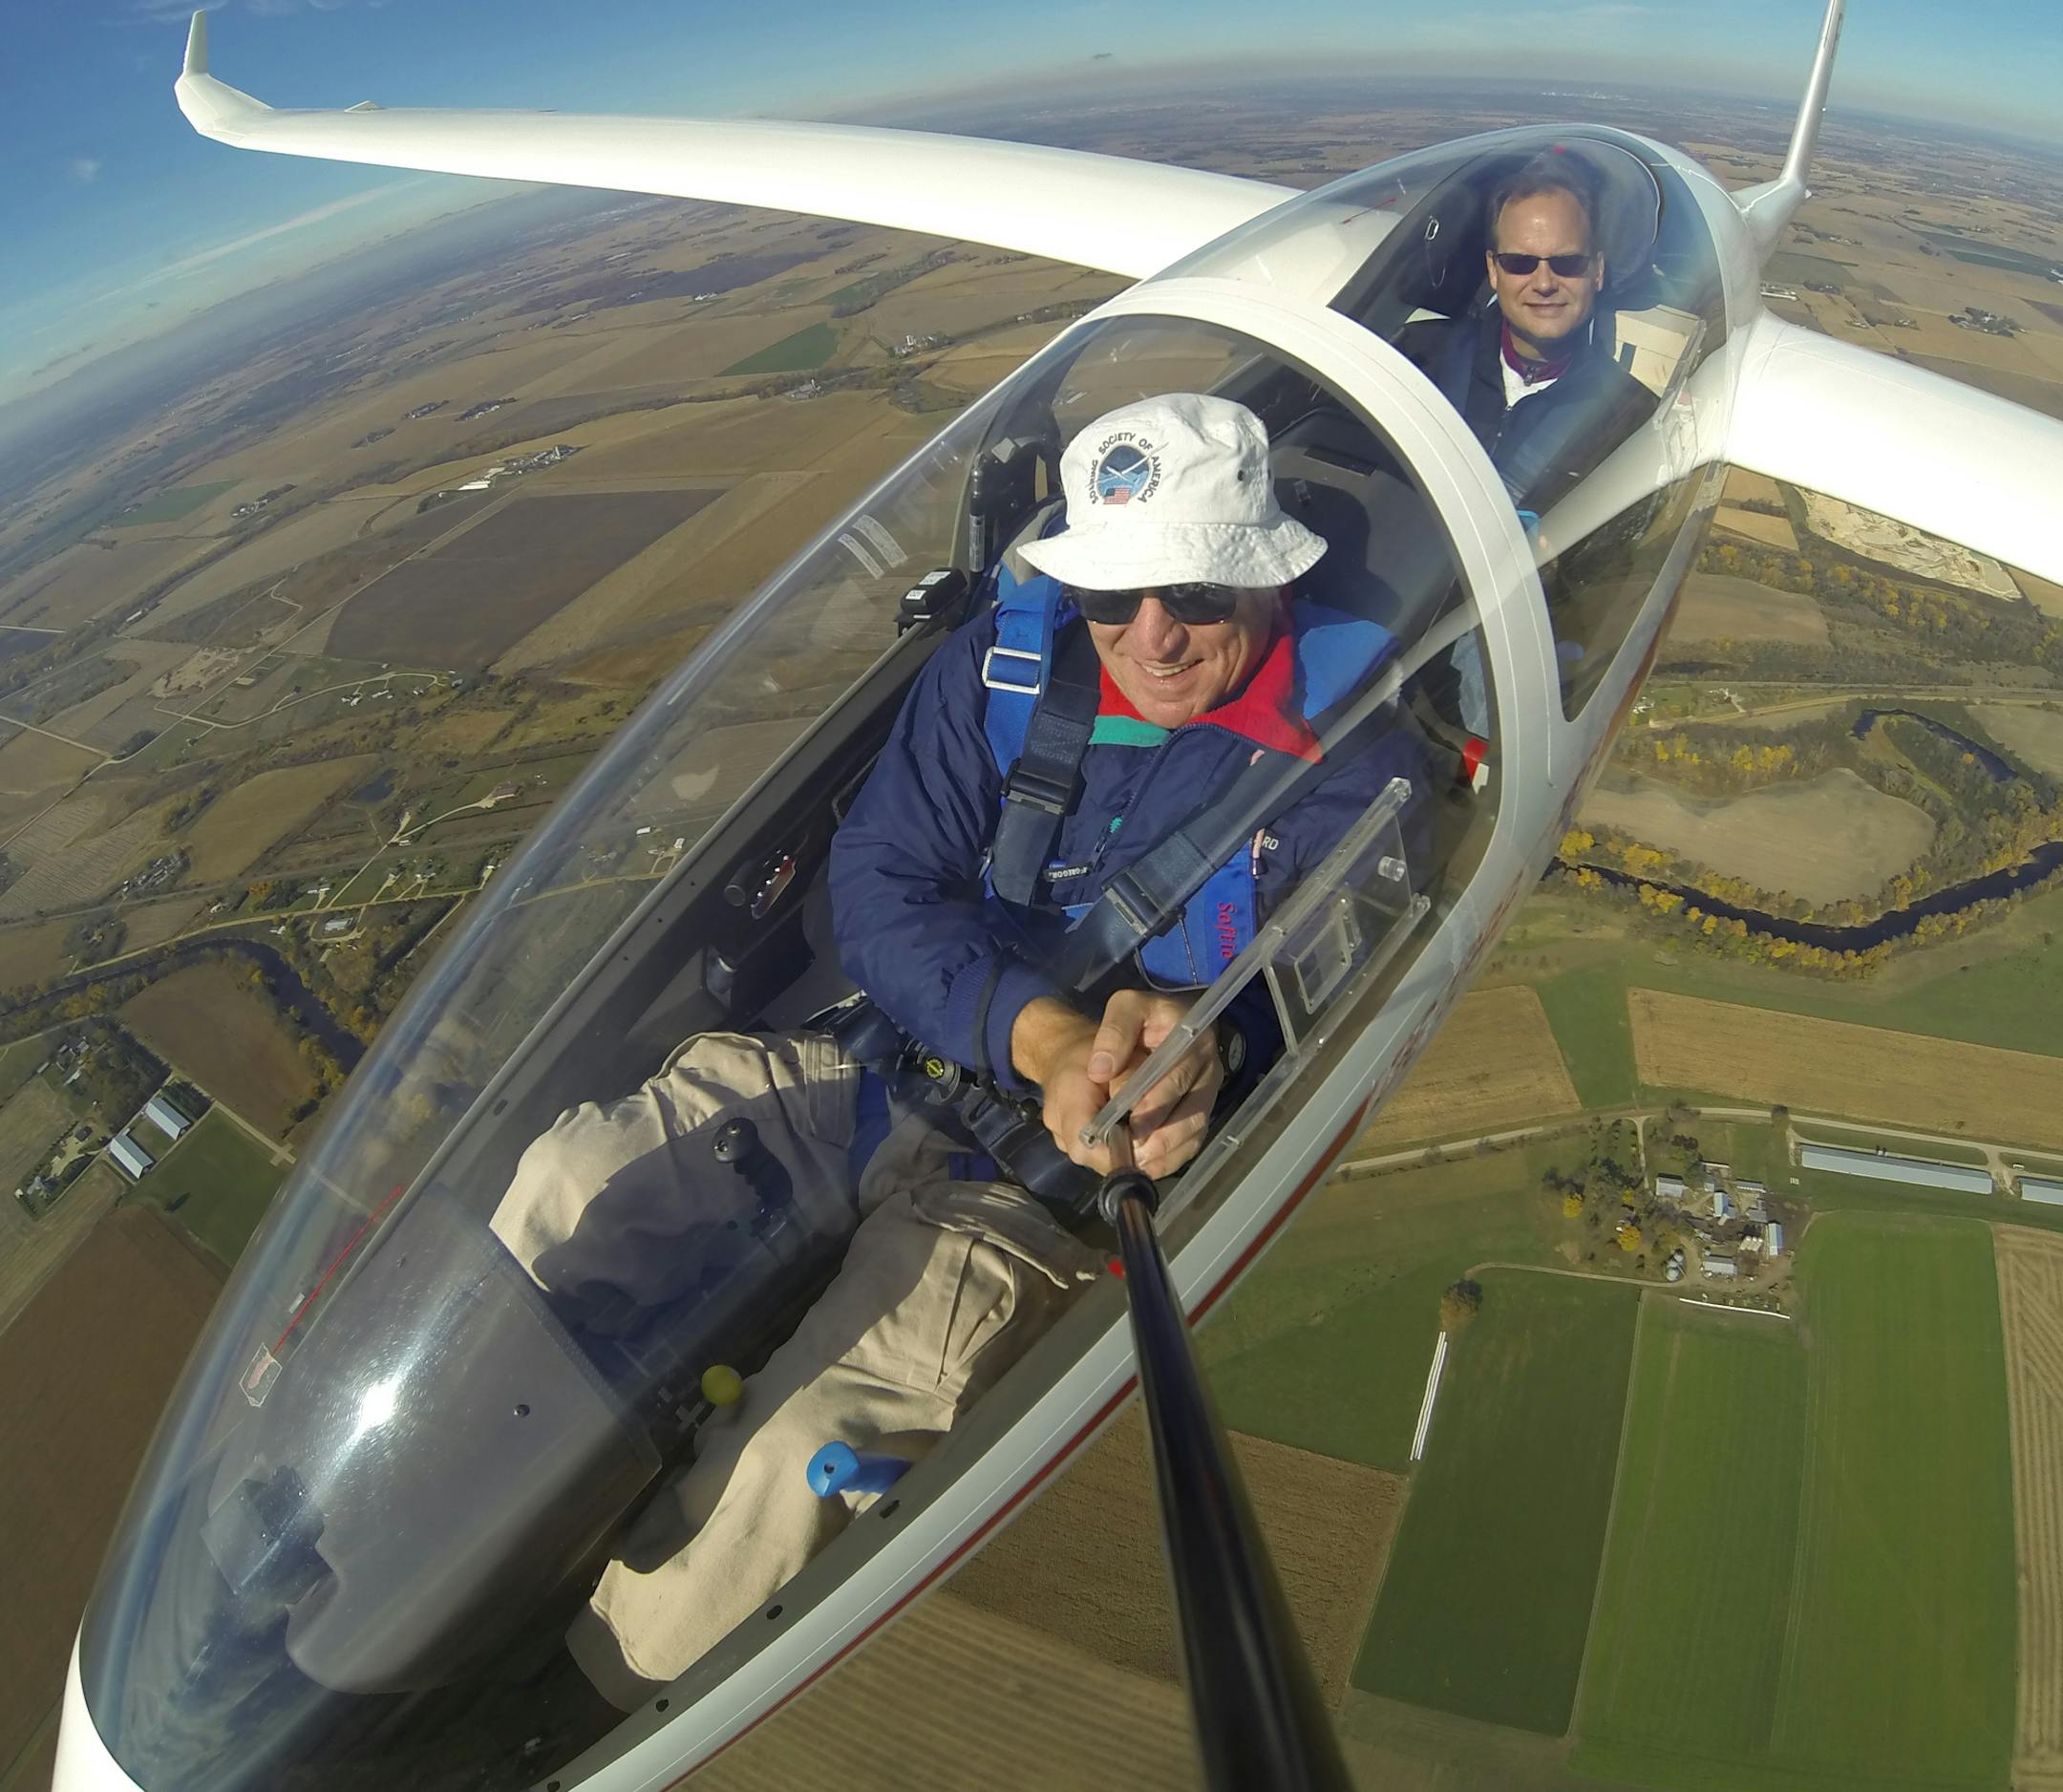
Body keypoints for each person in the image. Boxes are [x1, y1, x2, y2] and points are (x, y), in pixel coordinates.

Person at [489, 393, 1424, 1708]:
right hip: (863, 1060)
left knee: (793, 1460)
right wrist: (1035, 1034)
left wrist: (1198, 1061)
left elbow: (1322, 989)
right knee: (566, 1188)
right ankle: (430, 1540)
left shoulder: (1343, 763)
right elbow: (877, 887)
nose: (1151, 636)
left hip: (1028, 1182)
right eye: (1117, 595)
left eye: (1196, 595)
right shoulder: (1003, 669)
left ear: (1263, 579)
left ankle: (574, 1704)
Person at [1400, 154, 1653, 519]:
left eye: (1568, 263)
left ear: (1597, 271)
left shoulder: (1629, 420)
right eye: (1520, 263)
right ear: (1493, 270)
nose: (1545, 283)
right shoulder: (1416, 357)